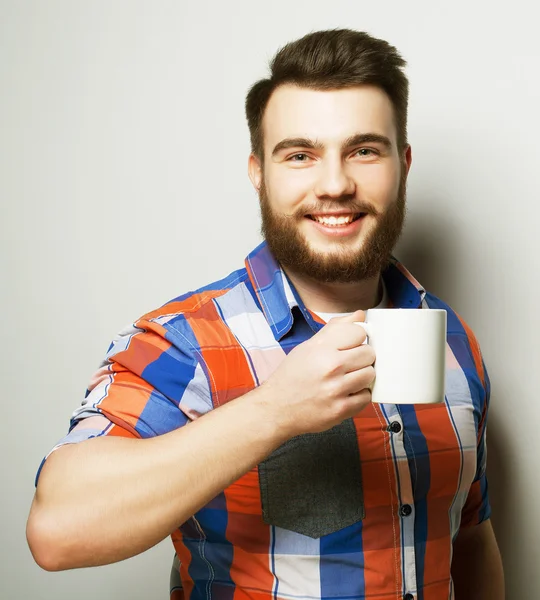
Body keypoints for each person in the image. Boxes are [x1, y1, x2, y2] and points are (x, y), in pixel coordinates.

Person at [27, 28, 504, 599]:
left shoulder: (453, 339)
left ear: (402, 163)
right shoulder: (184, 343)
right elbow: (57, 532)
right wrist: (275, 410)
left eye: (364, 150)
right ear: (259, 171)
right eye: (300, 155)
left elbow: (470, 538)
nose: (335, 184)